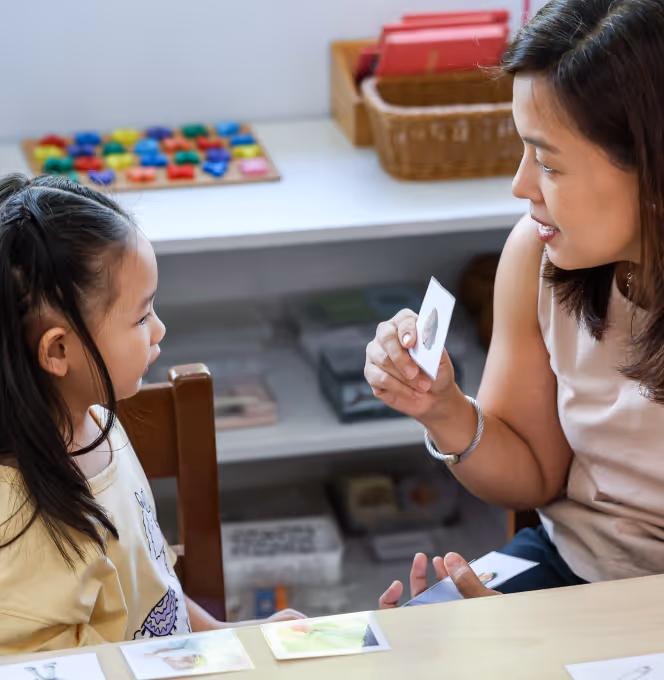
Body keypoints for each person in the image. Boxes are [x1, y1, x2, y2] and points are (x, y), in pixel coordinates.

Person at [366, 0, 664, 607]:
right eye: (523, 150)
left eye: (548, 162)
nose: (520, 185)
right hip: (574, 560)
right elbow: (534, 474)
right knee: (413, 643)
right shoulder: (538, 255)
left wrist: (545, 644)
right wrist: (441, 406)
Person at [0, 174, 303, 655]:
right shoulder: (21, 530)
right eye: (141, 317)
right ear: (58, 350)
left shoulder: (99, 424)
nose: (159, 329)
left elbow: (156, 589)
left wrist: (235, 638)